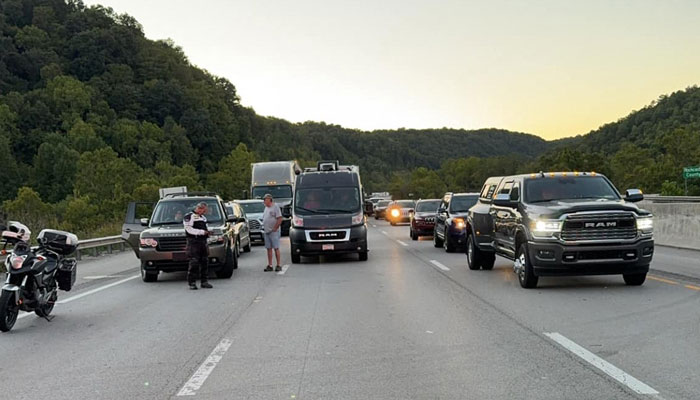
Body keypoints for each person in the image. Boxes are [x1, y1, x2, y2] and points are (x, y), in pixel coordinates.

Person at [183, 202, 213, 290]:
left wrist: (208, 232)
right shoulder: (189, 216)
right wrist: (202, 232)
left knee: (205, 261)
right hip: (193, 242)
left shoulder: (203, 218)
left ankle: (204, 281)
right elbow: (189, 229)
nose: (205, 212)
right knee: (194, 262)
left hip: (203, 241)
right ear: (199, 208)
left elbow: (205, 228)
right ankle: (192, 282)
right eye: (204, 210)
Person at [262, 194, 283, 272]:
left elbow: (280, 218)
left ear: (269, 200)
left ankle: (278, 264)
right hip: (267, 231)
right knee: (268, 248)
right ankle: (270, 265)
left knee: (276, 247)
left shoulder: (275, 207)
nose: (264, 201)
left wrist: (275, 227)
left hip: (273, 231)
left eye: (265, 199)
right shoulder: (266, 208)